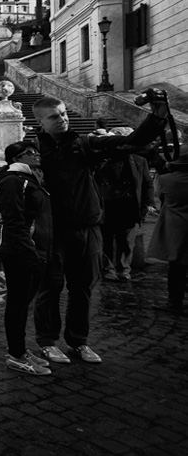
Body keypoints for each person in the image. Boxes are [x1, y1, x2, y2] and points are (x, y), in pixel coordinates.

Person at [31, 95, 169, 365]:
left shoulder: (83, 144)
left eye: (63, 113)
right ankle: (47, 341)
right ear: (39, 121)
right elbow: (12, 180)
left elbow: (129, 142)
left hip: (88, 225)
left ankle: (78, 341)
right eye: (54, 117)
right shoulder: (33, 150)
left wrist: (157, 117)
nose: (62, 119)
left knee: (82, 287)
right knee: (51, 286)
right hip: (53, 230)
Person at [0, 141, 54, 376]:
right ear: (16, 158)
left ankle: (20, 349)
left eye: (36, 151)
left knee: (22, 303)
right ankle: (16, 355)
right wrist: (31, 255)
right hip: (21, 252)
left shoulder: (31, 178)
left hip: (32, 249)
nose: (36, 154)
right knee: (17, 304)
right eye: (29, 152)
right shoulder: (15, 181)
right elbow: (15, 222)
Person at [96, 127, 155, 281]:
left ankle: (124, 268)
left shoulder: (139, 161)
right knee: (106, 240)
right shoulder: (102, 161)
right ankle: (108, 268)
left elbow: (147, 183)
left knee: (127, 241)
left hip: (128, 206)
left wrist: (149, 203)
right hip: (107, 205)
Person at [148, 144, 188, 314]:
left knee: (176, 269)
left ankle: (174, 302)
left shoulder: (166, 180)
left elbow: (159, 195)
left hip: (175, 229)